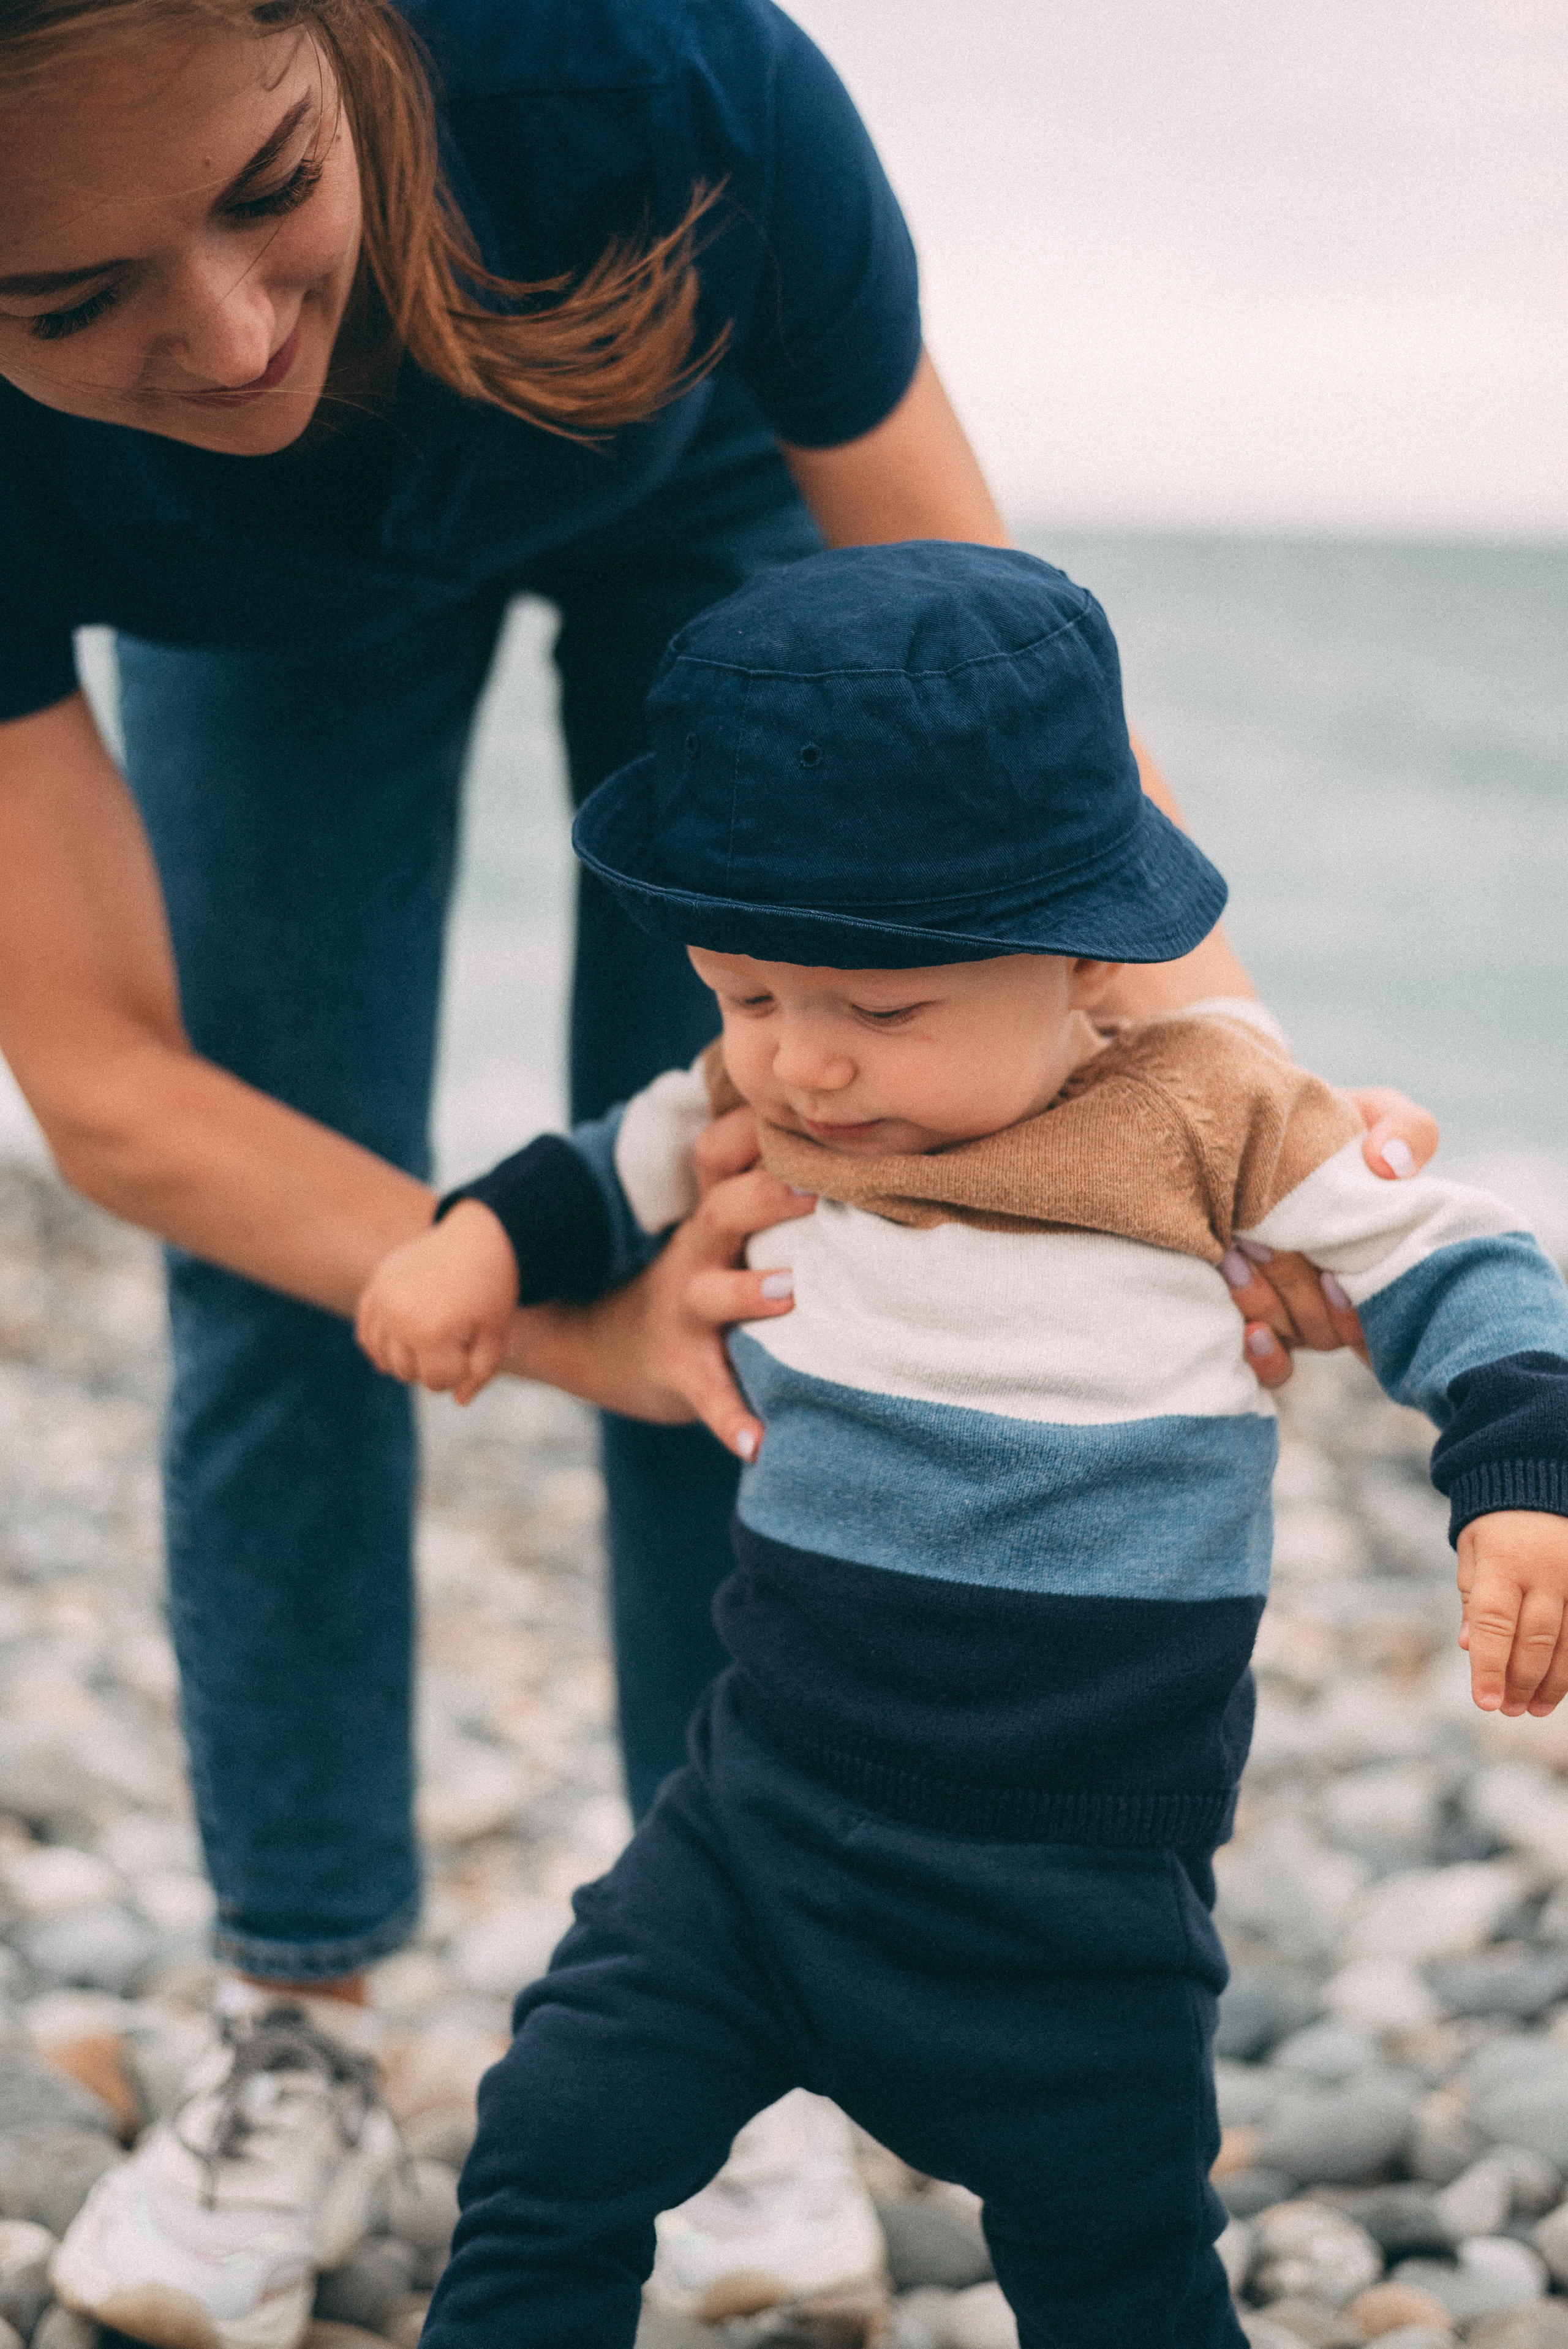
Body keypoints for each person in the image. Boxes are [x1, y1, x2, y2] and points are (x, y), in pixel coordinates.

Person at [0, 0, 1436, 2326]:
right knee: (293, 1257)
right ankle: (296, 2012)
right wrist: (562, 1313)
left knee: (786, 1213)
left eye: (271, 188)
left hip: (680, 482)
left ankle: (768, 1981)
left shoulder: (658, 86)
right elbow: (106, 1080)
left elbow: (1040, 769)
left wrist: (1240, 1109)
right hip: (254, 609)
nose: (238, 331)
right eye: (69, 298)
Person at [344, 543, 1568, 2349]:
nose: (806, 1066)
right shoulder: (768, 1096)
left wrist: (1519, 1480)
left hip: (1070, 1887)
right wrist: (475, 1242)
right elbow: (618, 1154)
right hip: (756, 1823)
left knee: (1119, 2265)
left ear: (1083, 954)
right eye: (751, 993)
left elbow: (1454, 1257)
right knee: (550, 2137)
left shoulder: (1211, 1108)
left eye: (883, 1010)